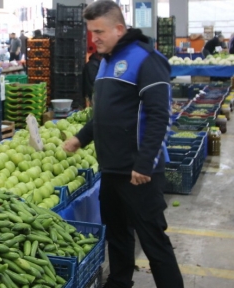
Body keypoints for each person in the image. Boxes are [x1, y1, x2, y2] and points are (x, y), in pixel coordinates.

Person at [63, 1, 184, 288]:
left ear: (119, 28)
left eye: (100, 32)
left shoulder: (146, 59)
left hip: (139, 173)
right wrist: (81, 137)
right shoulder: (106, 61)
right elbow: (105, 112)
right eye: (92, 32)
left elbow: (159, 115)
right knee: (117, 234)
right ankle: (119, 282)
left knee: (154, 241)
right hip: (113, 169)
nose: (95, 39)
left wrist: (144, 163)